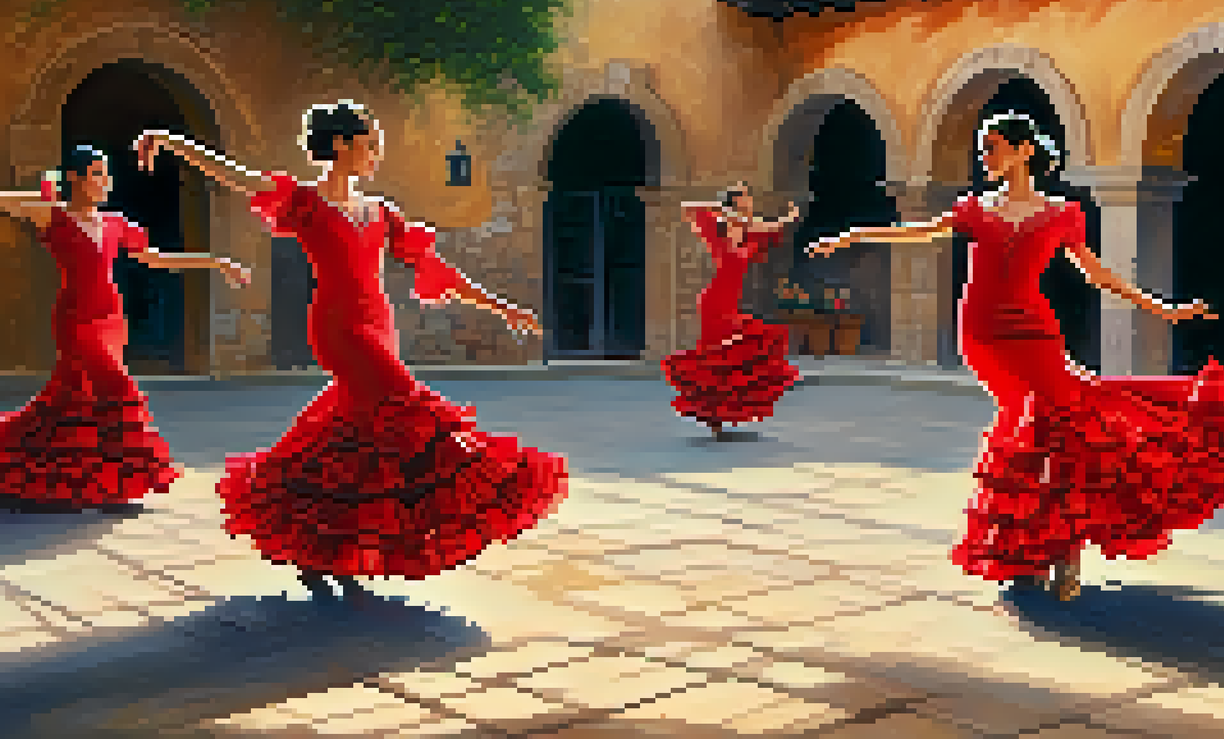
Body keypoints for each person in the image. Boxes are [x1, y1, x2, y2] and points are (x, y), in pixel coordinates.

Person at [808, 112, 1224, 600]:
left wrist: (1161, 308)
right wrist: (854, 236)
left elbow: (1097, 274)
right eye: (984, 149)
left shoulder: (1060, 214)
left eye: (994, 147)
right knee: (1030, 425)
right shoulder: (975, 209)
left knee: (1056, 423)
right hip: (984, 333)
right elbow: (919, 231)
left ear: (1024, 150)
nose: (986, 157)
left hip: (1035, 331)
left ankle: (1055, 547)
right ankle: (1035, 547)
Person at [133, 101, 567, 600]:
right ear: (340, 145)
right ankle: (413, 516)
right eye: (370, 144)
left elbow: (438, 271)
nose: (376, 155)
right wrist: (171, 141)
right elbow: (234, 175)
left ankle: (323, 544)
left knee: (354, 435)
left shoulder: (381, 213)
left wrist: (502, 306)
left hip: (380, 325)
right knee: (411, 409)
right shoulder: (303, 201)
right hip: (340, 328)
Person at [0, 145, 250, 508]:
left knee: (71, 400)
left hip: (112, 319)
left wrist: (217, 262)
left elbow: (158, 259)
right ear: (75, 178)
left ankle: (51, 476)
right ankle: (117, 486)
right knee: (117, 391)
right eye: (97, 174)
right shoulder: (51, 214)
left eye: (106, 174)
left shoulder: (117, 223)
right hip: (77, 320)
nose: (106, 182)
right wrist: (42, 191)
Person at [664, 183, 802, 439]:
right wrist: (725, 212)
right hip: (714, 302)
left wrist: (790, 216)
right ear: (734, 202)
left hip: (729, 302)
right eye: (744, 197)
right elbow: (688, 207)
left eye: (749, 197)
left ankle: (728, 413)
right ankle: (713, 417)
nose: (749, 200)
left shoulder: (750, 229)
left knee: (748, 348)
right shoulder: (719, 228)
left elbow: (774, 226)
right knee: (715, 358)